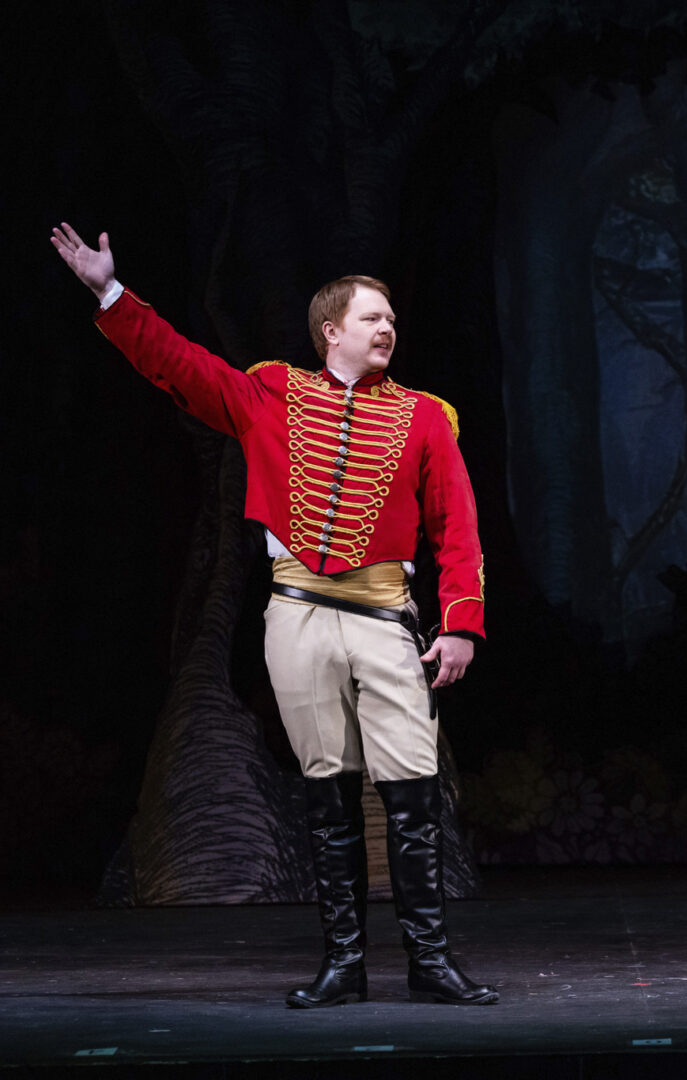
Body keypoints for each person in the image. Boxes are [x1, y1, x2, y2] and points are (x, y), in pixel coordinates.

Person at [52, 223, 497, 1007]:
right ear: (331, 331)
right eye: (371, 317)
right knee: (328, 795)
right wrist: (109, 292)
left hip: (385, 618)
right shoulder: (272, 397)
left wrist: (459, 623)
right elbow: (180, 364)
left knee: (411, 795)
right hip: (298, 616)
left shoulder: (426, 418)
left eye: (392, 318)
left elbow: (455, 526)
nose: (387, 328)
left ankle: (430, 962)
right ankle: (344, 964)